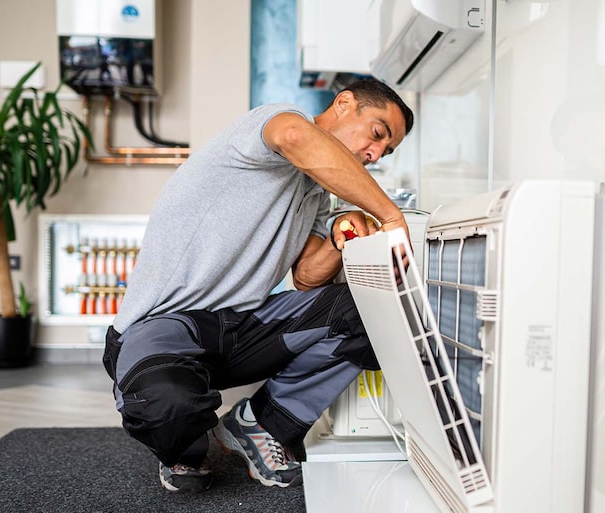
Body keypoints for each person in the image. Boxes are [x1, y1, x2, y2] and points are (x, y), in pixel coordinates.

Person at [103, 78, 414, 493]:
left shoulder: (316, 195)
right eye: (377, 134)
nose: (375, 154)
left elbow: (305, 277)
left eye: (386, 151)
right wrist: (390, 216)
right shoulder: (275, 122)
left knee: (371, 310)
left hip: (239, 328)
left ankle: (262, 422)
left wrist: (342, 234)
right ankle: (186, 448)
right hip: (163, 329)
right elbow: (294, 136)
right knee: (170, 409)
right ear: (344, 104)